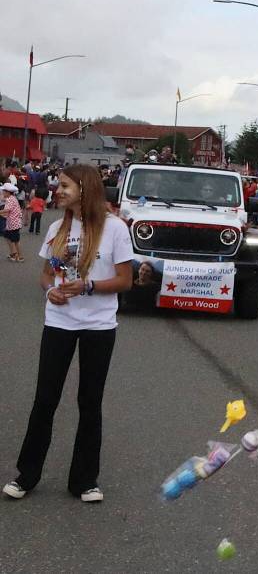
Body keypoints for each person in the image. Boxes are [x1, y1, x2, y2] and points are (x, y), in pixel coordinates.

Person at [3, 165, 133, 503]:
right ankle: (26, 476)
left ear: (84, 189)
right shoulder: (58, 228)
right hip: (59, 321)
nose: (56, 191)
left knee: (89, 402)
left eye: (64, 186)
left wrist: (89, 286)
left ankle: (85, 481)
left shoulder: (116, 229)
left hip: (99, 325)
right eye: (58, 185)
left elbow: (125, 280)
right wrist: (51, 292)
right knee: (45, 400)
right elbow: (47, 275)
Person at [2, 182, 25, 261]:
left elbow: (6, 210)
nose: (2, 193)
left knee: (15, 241)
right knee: (7, 237)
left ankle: (20, 256)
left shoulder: (10, 200)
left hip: (14, 223)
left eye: (3, 191)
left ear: (7, 192)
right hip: (12, 223)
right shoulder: (12, 198)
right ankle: (13, 253)